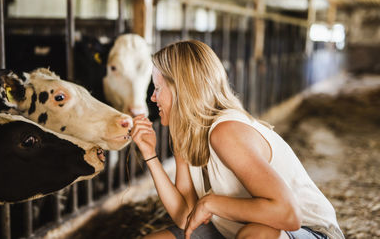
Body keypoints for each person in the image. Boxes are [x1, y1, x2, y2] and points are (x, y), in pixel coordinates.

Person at [130, 40, 344, 239]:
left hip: (310, 232)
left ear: (182, 90)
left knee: (257, 234)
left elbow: (288, 215)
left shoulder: (226, 131)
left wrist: (211, 203)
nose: (153, 98)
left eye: (157, 88)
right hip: (234, 229)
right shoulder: (184, 134)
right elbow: (186, 218)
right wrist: (151, 156)